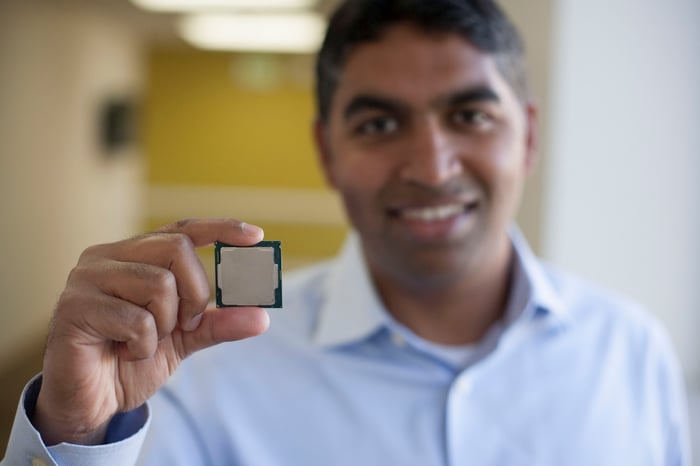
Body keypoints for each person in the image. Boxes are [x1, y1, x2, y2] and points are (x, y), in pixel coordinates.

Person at [2, 0, 691, 464]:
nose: (429, 166)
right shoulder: (202, 375)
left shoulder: (631, 354)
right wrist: (80, 437)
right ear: (327, 152)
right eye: (379, 124)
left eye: (471, 116)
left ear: (529, 137)